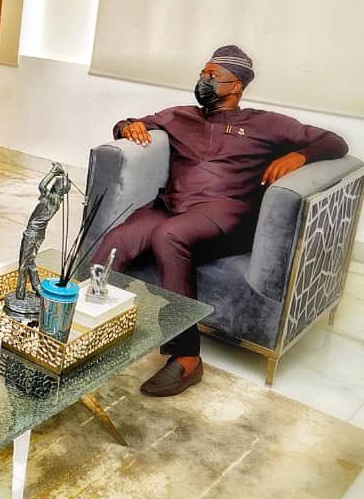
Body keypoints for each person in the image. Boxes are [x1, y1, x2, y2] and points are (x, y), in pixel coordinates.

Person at [91, 45, 348, 397]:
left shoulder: (266, 123)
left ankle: (186, 356)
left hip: (227, 213)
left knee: (169, 235)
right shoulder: (180, 116)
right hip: (173, 205)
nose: (203, 80)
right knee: (116, 241)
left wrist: (300, 156)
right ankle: (86, 322)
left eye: (213, 76)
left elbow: (335, 142)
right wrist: (127, 125)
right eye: (203, 74)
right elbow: (127, 125)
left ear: (236, 85)